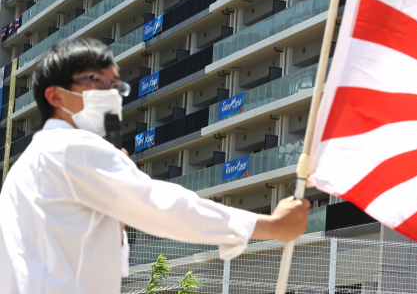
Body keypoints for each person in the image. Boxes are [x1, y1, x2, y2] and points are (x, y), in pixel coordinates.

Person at [0, 38, 310, 293]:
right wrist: (271, 226)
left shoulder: (24, 168)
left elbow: (88, 256)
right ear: (55, 95)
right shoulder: (75, 147)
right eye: (98, 81)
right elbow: (163, 207)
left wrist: (116, 205)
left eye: (117, 87)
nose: (111, 94)